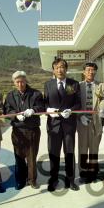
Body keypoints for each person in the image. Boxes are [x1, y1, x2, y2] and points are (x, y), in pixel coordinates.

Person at [44, 58, 81, 192]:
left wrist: (71, 110)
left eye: (62, 67)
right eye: (57, 67)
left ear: (66, 69)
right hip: (53, 125)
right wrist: (48, 110)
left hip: (69, 125)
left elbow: (78, 103)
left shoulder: (74, 84)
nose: (60, 70)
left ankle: (70, 180)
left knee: (69, 152)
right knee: (54, 153)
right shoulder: (48, 84)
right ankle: (53, 180)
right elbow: (45, 103)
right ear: (53, 70)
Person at [4, 71, 44, 190]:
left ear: (26, 80)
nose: (20, 84)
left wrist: (33, 110)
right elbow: (6, 111)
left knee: (31, 156)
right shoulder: (10, 95)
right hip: (18, 130)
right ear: (14, 83)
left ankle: (32, 180)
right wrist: (15, 115)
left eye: (22, 81)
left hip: (32, 129)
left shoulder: (36, 94)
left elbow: (41, 106)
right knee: (19, 156)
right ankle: (20, 180)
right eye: (17, 82)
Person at [76, 62, 104, 184]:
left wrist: (103, 108)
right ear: (84, 72)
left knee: (94, 148)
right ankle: (83, 173)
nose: (91, 72)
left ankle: (93, 172)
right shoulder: (78, 86)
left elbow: (103, 99)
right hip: (82, 122)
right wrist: (80, 115)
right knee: (83, 148)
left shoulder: (101, 85)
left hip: (96, 121)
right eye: (88, 70)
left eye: (93, 70)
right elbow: (75, 103)